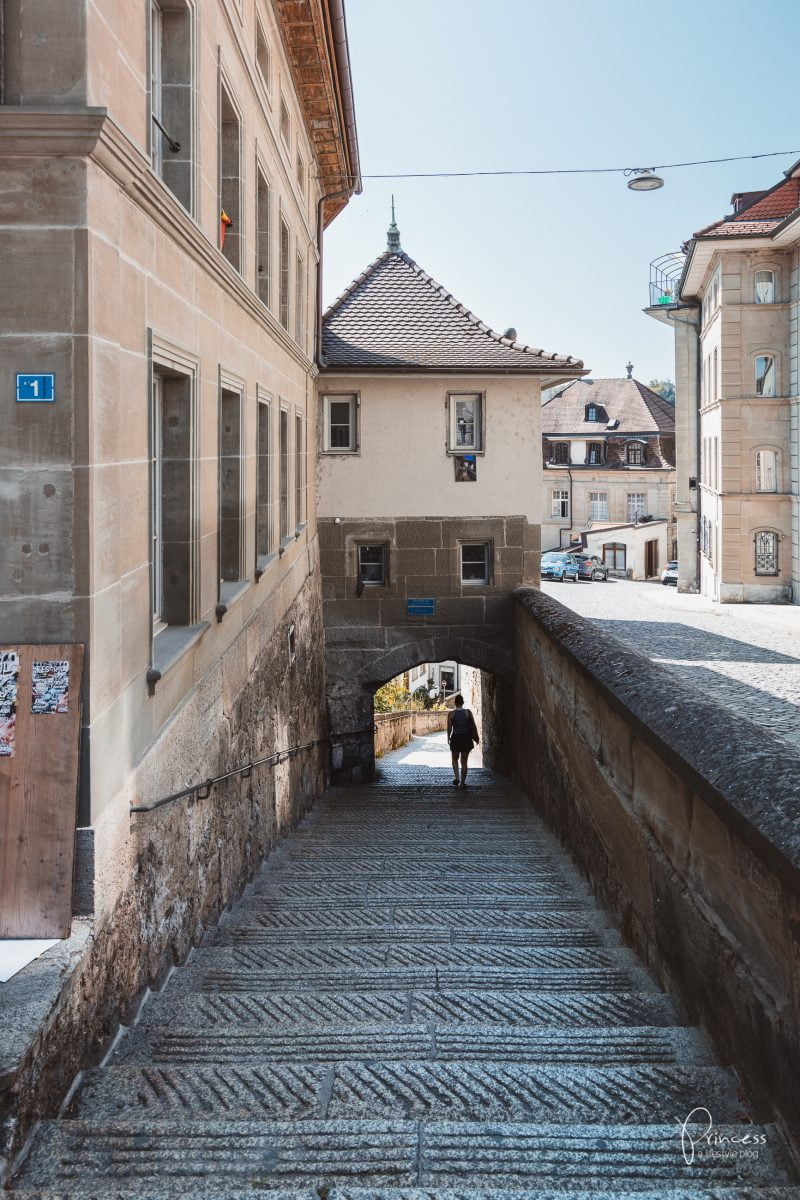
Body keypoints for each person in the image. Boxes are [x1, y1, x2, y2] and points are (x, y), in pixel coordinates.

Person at [447, 694, 479, 790]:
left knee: (454, 759)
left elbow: (449, 728)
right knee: (464, 762)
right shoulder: (467, 713)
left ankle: (457, 777)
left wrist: (448, 738)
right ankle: (462, 783)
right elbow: (473, 726)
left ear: (455, 703)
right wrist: (476, 738)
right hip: (466, 738)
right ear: (463, 702)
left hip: (456, 738)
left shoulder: (451, 714)